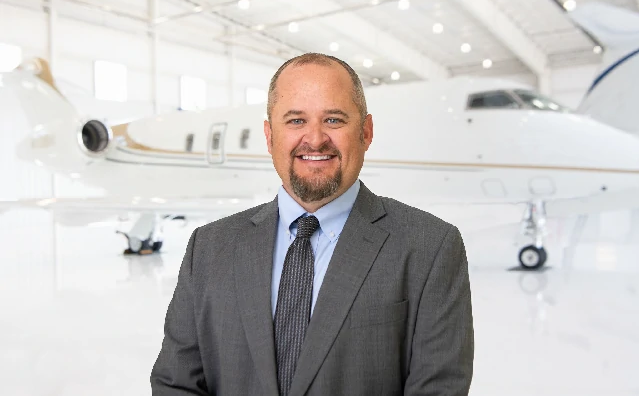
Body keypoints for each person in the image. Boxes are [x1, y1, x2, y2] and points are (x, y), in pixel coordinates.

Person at [151, 53, 474, 395]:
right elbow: (176, 383)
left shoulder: (430, 247)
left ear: (365, 132)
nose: (315, 139)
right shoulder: (209, 245)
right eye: (295, 121)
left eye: (334, 120)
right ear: (270, 135)